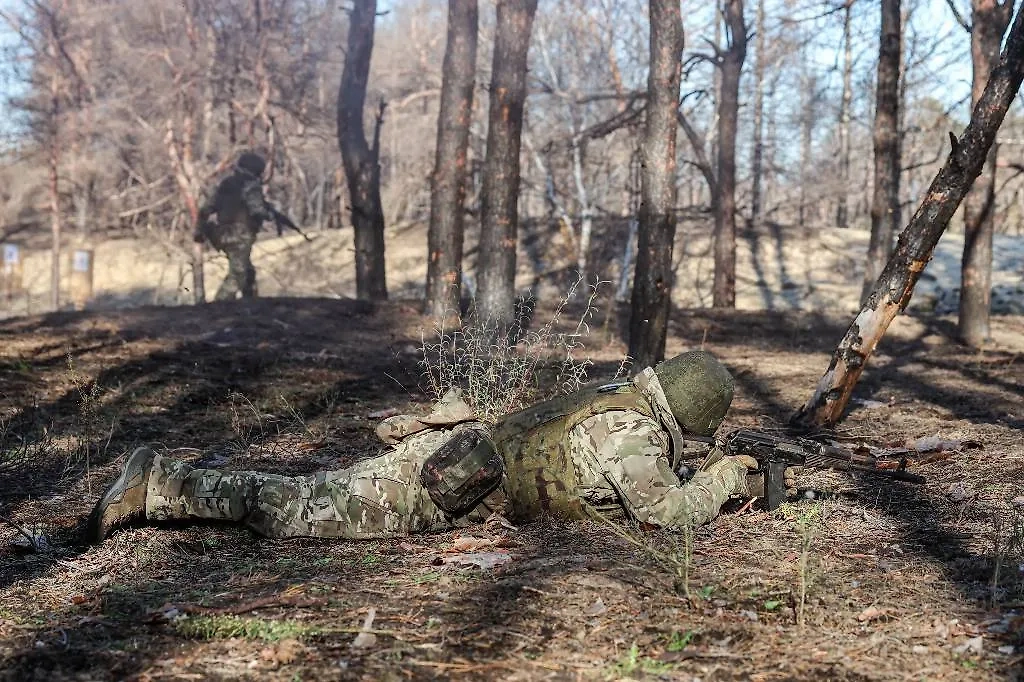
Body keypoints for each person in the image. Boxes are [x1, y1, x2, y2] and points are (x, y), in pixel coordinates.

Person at [88, 351, 765, 543]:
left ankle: (177, 495)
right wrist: (728, 478)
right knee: (296, 507)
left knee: (314, 497)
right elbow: (661, 516)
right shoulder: (637, 435)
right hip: (444, 488)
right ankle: (164, 484)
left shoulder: (618, 397)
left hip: (452, 457)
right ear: (688, 419)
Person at [193, 152, 296, 301]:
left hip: (221, 234)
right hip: (241, 235)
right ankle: (218, 307)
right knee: (237, 275)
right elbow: (257, 210)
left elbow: (205, 209)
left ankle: (251, 305)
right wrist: (271, 215)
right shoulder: (251, 186)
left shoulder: (225, 184)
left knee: (247, 272)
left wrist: (199, 231)